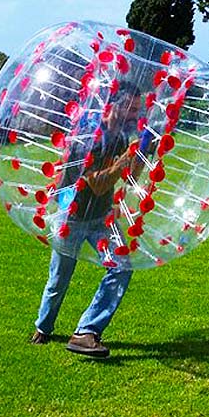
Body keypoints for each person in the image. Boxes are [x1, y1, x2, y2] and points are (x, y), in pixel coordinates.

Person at [31, 89, 144, 357]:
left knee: (122, 267)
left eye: (137, 109)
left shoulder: (121, 136)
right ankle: (43, 327)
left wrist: (141, 154)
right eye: (130, 108)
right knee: (59, 278)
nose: (134, 115)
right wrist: (126, 157)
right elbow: (98, 184)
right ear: (113, 106)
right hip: (71, 217)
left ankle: (86, 331)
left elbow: (129, 178)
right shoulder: (88, 137)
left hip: (101, 217)